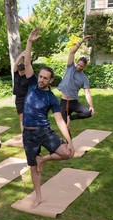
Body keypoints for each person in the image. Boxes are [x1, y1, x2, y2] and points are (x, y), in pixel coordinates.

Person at [22, 28, 75, 208]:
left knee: (67, 153)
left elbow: (60, 120)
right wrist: (29, 41)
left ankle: (42, 159)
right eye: (40, 76)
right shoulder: (31, 84)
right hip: (28, 134)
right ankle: (38, 196)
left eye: (45, 78)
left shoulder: (51, 97)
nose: (41, 80)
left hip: (44, 132)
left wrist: (70, 141)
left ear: (50, 80)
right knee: (33, 168)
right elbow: (27, 62)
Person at [57, 35, 94, 129]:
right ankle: (68, 143)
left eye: (81, 66)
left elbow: (87, 93)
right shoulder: (70, 67)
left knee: (88, 113)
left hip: (74, 102)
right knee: (64, 126)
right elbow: (72, 52)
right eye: (78, 64)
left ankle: (70, 117)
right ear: (76, 62)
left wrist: (91, 106)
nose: (78, 67)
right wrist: (82, 41)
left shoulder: (84, 78)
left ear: (84, 67)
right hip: (64, 102)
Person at [13, 51, 31, 139]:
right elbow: (16, 64)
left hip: (27, 98)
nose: (21, 72)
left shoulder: (28, 76)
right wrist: (21, 55)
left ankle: (30, 133)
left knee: (29, 116)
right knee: (21, 117)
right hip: (19, 98)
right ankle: (24, 135)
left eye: (22, 71)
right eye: (20, 71)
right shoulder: (16, 74)